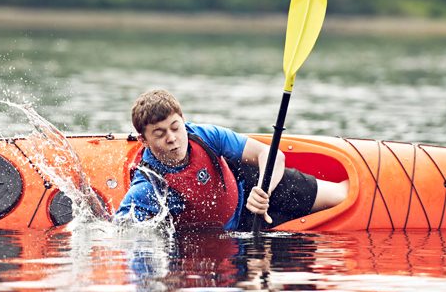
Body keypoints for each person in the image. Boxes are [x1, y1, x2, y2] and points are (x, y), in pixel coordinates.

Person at [115, 89, 349, 231]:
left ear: (183, 121)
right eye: (159, 133)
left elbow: (272, 155)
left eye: (175, 127)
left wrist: (262, 191)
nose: (172, 138)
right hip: (238, 233)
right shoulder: (148, 186)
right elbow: (120, 229)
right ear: (143, 140)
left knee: (341, 198)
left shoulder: (205, 135)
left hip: (249, 189)